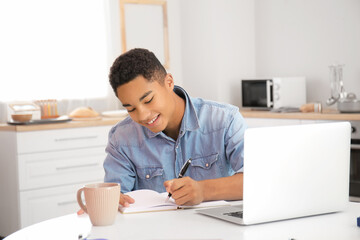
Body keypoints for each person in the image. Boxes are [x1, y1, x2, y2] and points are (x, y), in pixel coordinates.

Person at [104, 48, 247, 207]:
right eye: (131, 109)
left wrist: (203, 191)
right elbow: (115, 195)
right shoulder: (121, 139)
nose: (143, 115)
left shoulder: (225, 120)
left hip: (218, 228)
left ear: (169, 82)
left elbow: (257, 179)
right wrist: (106, 202)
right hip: (156, 230)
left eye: (149, 100)